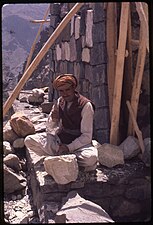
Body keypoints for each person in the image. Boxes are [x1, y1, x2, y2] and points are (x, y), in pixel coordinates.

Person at [24, 74, 98, 172]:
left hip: (79, 145)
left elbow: (87, 136)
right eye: (61, 91)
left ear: (73, 88)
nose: (65, 94)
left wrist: (68, 147)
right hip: (60, 140)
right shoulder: (60, 102)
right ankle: (66, 159)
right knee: (29, 140)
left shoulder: (86, 105)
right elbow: (50, 129)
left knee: (90, 158)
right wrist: (54, 119)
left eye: (67, 90)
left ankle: (63, 159)